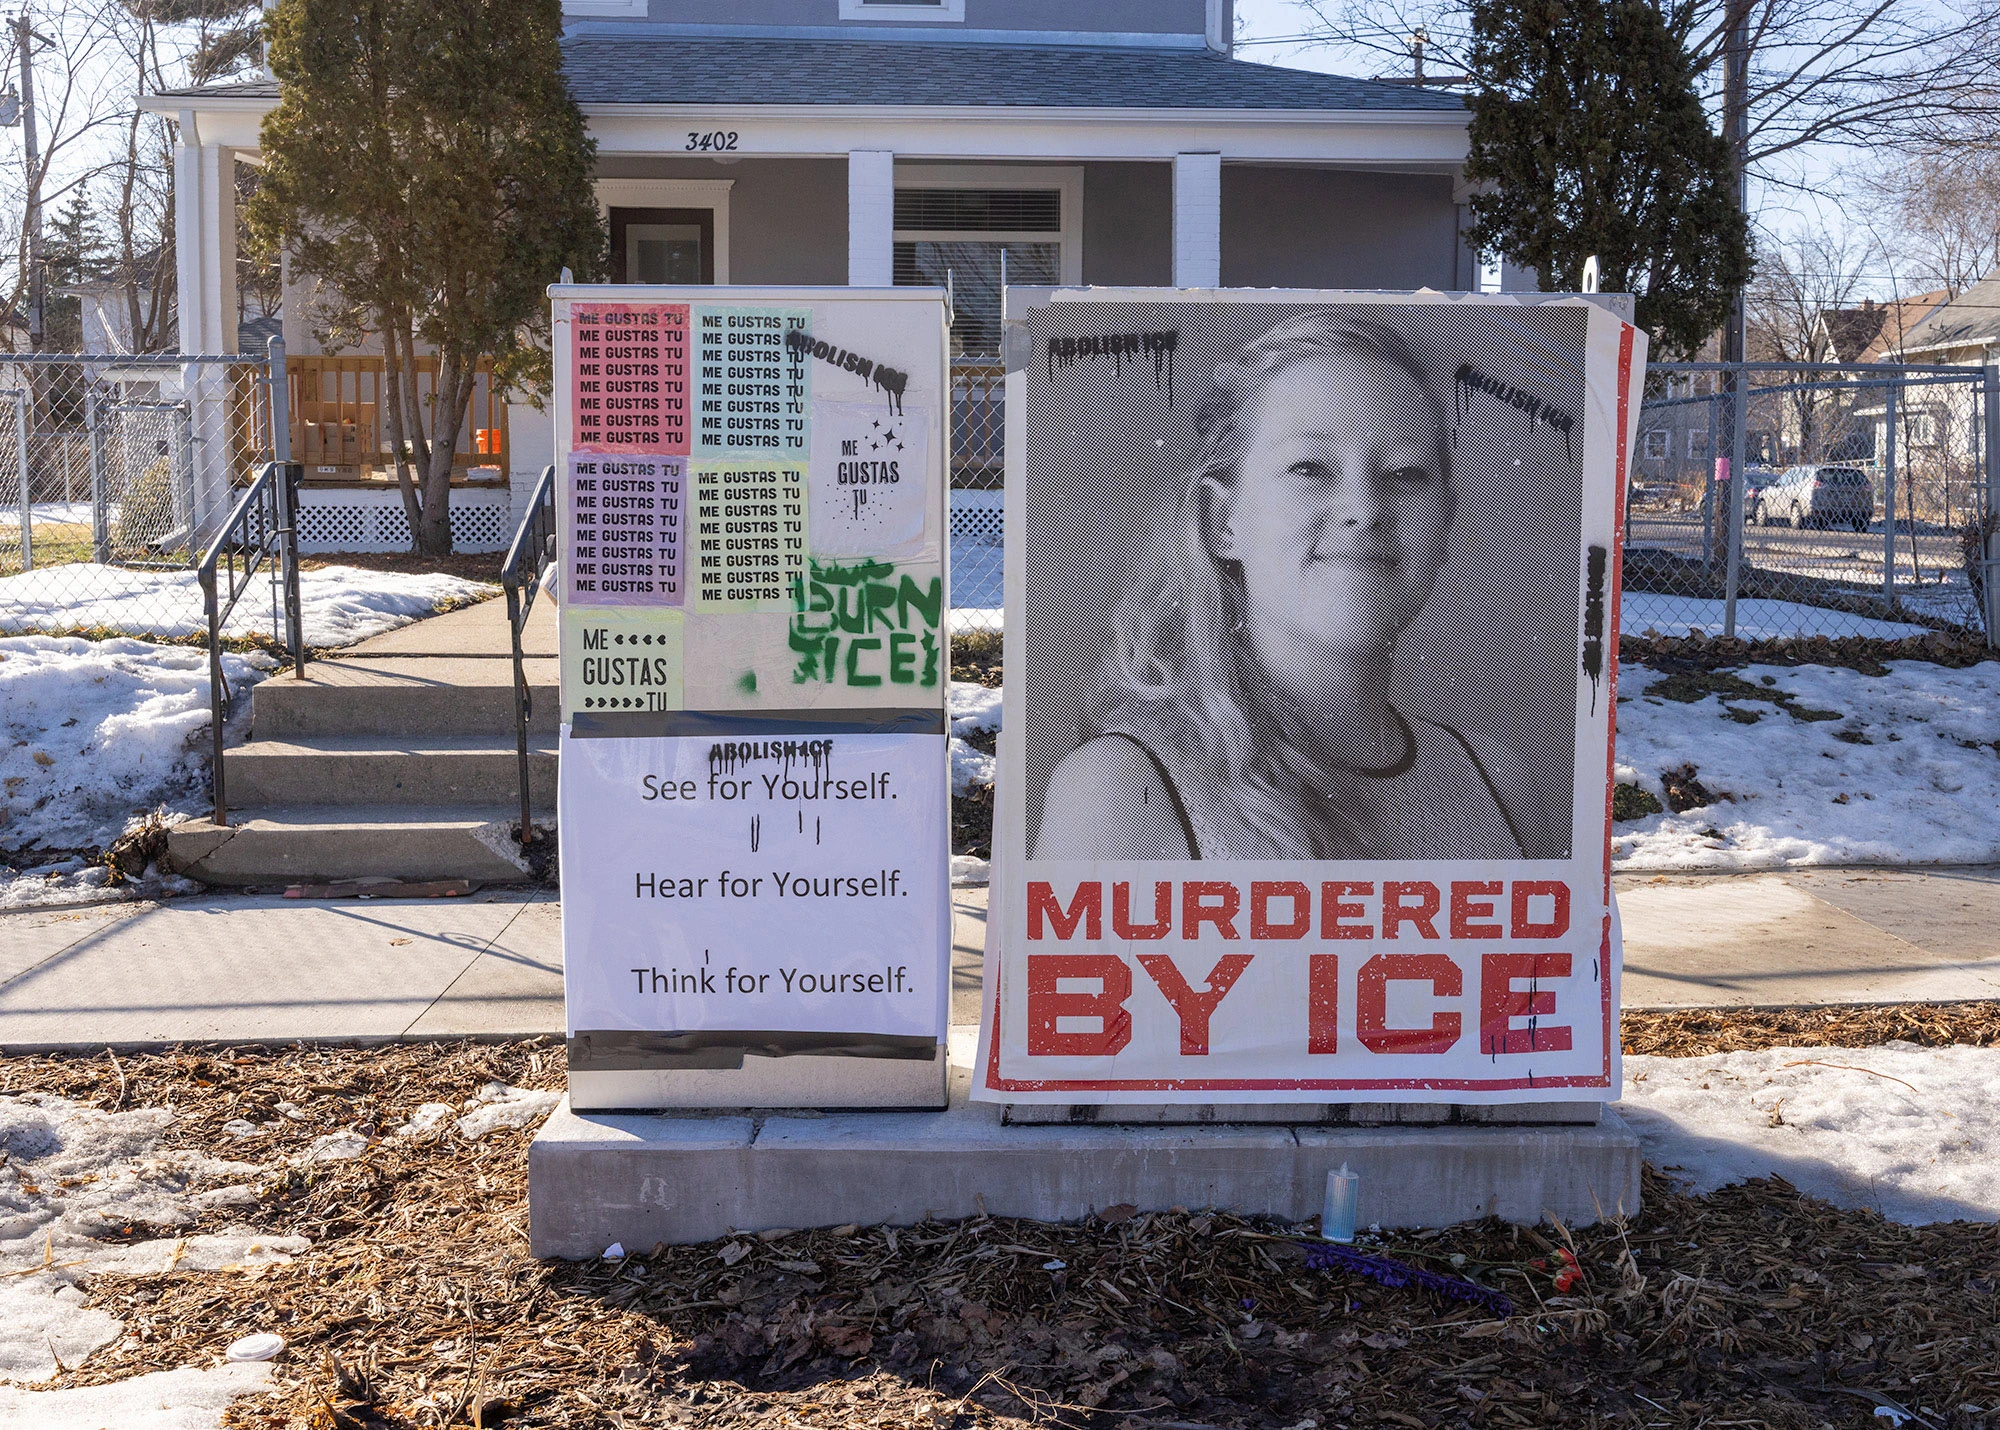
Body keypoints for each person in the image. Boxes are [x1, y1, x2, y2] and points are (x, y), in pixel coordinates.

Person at [1033, 313, 1527, 861]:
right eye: (1310, 469)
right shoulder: (1125, 790)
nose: (1365, 511)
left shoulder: (1461, 775)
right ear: (1223, 520)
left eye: (1405, 474)